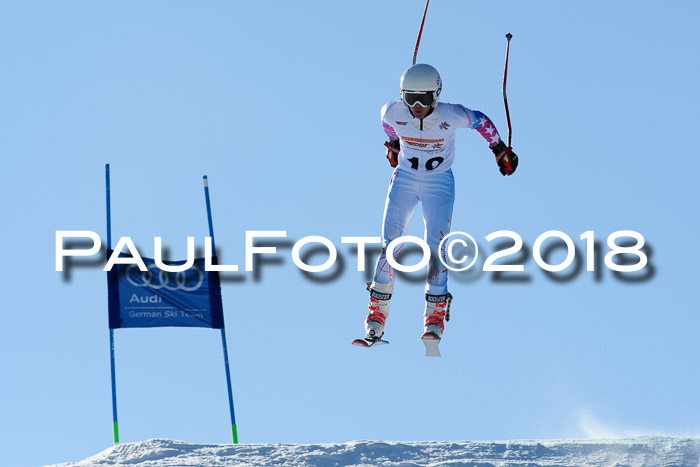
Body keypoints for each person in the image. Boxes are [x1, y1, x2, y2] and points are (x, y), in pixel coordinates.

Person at [361, 63, 518, 345]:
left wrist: (498, 149)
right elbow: (387, 125)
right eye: (410, 98)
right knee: (391, 244)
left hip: (438, 183)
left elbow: (480, 120)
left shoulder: (450, 114)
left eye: (423, 98)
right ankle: (377, 313)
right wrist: (393, 144)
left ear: (437, 95)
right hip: (405, 179)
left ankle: (434, 314)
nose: (417, 106)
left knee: (437, 245)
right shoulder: (392, 111)